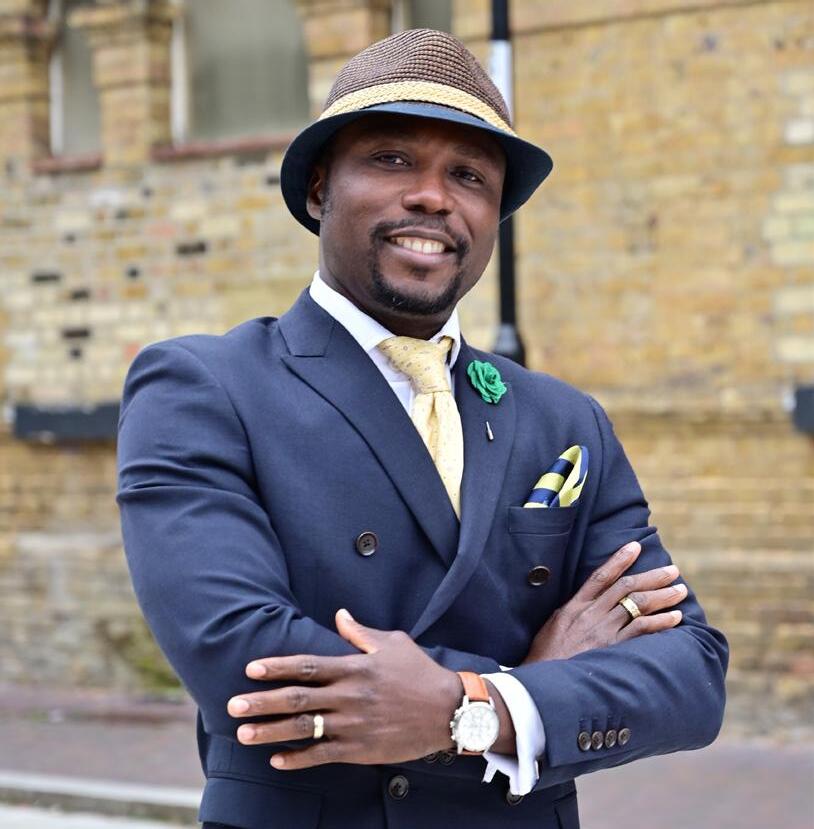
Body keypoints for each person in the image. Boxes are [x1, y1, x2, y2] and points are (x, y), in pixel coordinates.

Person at [116, 28, 728, 829]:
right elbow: (244, 656)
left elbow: (688, 675)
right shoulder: (206, 386)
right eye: (392, 159)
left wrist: (475, 703)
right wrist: (521, 692)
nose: (433, 197)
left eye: (468, 176)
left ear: (494, 215)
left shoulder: (562, 419)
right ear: (318, 189)